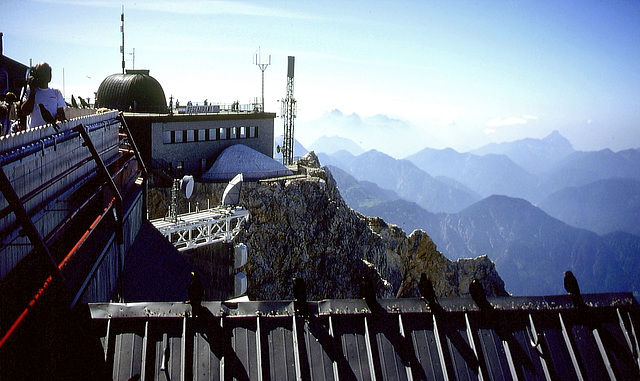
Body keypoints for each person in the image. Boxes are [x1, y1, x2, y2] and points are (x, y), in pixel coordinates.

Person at [20, 62, 66, 129]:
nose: (45, 75)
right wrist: (32, 91)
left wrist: (58, 117)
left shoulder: (56, 92)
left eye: (47, 72)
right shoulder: (28, 90)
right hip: (34, 134)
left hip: (51, 133)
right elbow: (25, 111)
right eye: (42, 72)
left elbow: (61, 114)